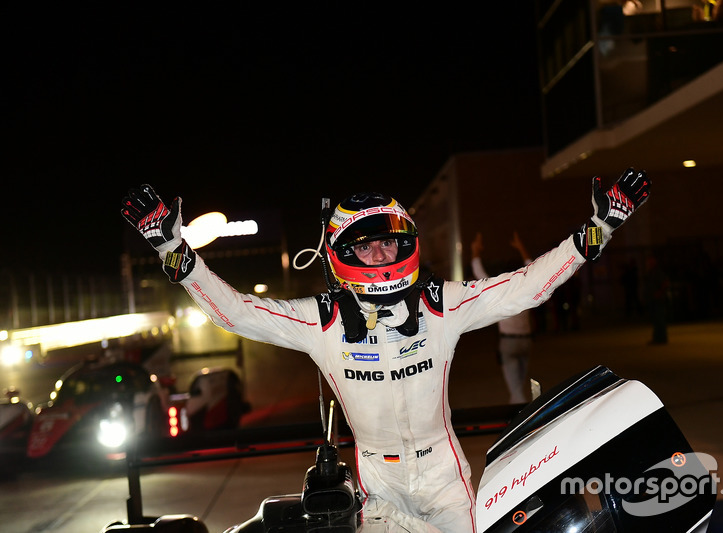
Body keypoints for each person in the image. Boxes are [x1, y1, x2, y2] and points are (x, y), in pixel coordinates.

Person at [121, 168, 651, 533]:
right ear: (341, 252)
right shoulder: (320, 321)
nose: (384, 251)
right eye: (368, 243)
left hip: (446, 479)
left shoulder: (442, 305)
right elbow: (234, 312)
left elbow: (529, 286)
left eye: (392, 239)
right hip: (379, 484)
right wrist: (172, 248)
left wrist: (599, 228)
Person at [470, 231, 535, 404]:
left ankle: (520, 420)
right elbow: (532, 268)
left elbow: (478, 271)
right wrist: (521, 247)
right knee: (520, 384)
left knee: (516, 390)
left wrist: (476, 250)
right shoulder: (525, 290)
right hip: (526, 341)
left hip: (508, 343)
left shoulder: (498, 292)